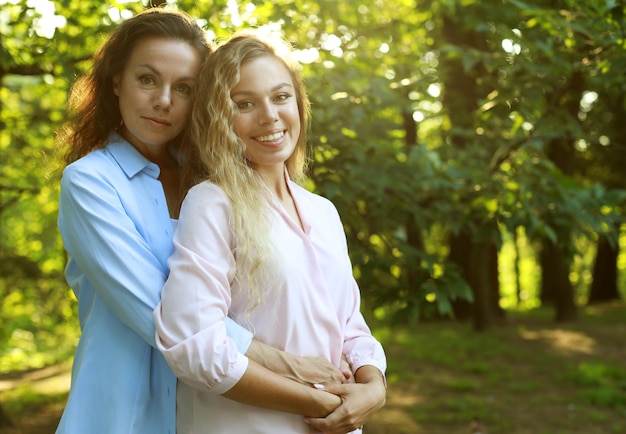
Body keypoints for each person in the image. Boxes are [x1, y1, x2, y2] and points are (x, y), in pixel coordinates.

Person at [55, 9, 349, 434]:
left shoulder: (214, 183)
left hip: (223, 408)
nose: (164, 101)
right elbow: (162, 313)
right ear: (117, 81)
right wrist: (288, 364)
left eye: (185, 88)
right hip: (127, 410)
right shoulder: (90, 183)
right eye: (147, 79)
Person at [154, 29, 387, 433]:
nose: (269, 116)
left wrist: (373, 386)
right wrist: (315, 398)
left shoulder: (323, 211)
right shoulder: (213, 203)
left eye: (281, 96)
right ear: (220, 118)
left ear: (298, 102)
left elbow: (350, 326)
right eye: (245, 103)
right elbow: (195, 346)